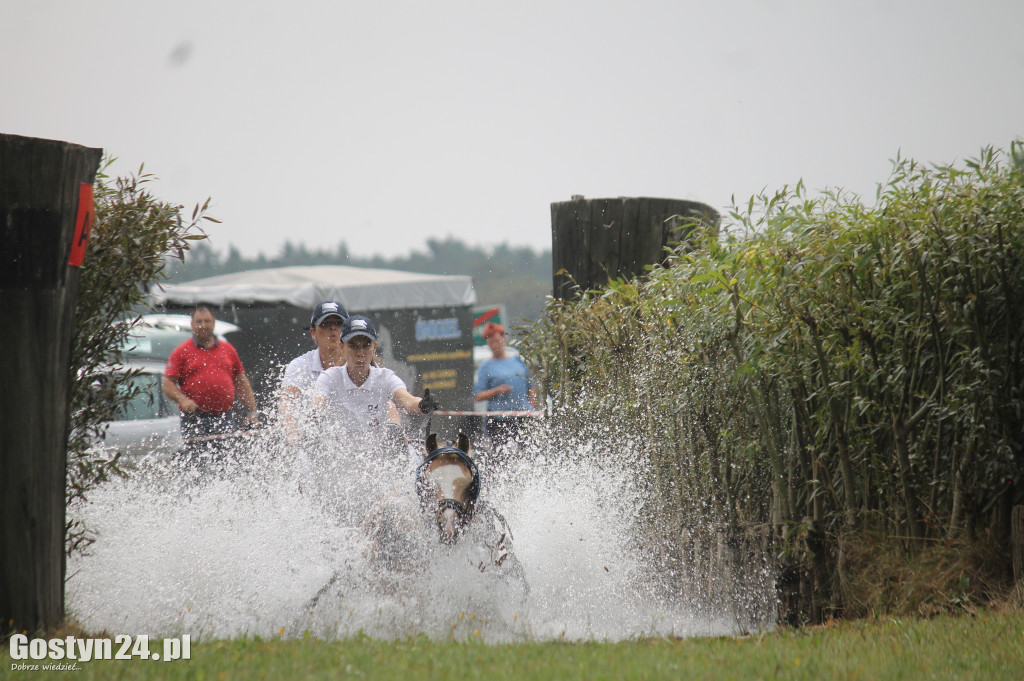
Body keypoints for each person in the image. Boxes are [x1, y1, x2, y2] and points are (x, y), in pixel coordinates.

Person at [313, 315, 438, 451]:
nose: (360, 353)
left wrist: (422, 404)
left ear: (374, 348)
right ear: (341, 346)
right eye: (353, 346)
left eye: (366, 346)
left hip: (379, 456)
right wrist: (313, 413)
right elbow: (317, 404)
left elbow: (408, 401)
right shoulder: (329, 377)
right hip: (340, 456)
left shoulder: (386, 377)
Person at [162, 305, 259, 461]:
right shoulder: (181, 352)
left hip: (224, 417)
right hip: (194, 419)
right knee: (195, 465)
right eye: (199, 321)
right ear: (192, 324)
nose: (203, 325)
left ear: (214, 322)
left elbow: (241, 382)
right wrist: (183, 400)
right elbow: (167, 384)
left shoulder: (228, 349)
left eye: (207, 321)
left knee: (226, 464)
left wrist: (252, 413)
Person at [278, 301, 348, 443]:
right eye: (325, 324)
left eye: (339, 323)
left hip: (351, 439)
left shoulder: (361, 362)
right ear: (313, 332)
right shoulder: (299, 365)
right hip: (312, 442)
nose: (333, 328)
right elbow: (287, 404)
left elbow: (386, 400)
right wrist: (292, 432)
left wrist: (394, 426)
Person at [473, 322, 537, 449]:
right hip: (498, 420)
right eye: (491, 343)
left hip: (522, 417)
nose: (495, 345)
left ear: (504, 339)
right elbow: (478, 396)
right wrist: (497, 390)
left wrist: (531, 408)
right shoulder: (485, 366)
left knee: (528, 452)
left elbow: (531, 386)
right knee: (500, 457)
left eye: (497, 341)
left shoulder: (518, 360)